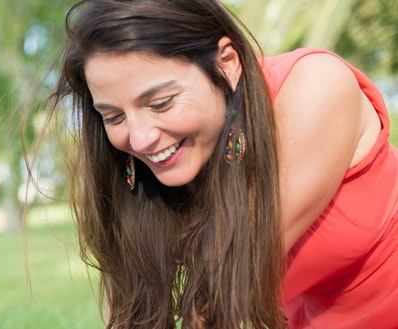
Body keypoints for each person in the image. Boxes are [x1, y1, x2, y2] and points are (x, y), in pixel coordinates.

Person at [32, 0, 398, 328]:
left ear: (227, 63)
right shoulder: (145, 169)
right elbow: (130, 312)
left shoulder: (315, 87)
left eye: (161, 103)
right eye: (113, 117)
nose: (140, 139)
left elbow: (218, 294)